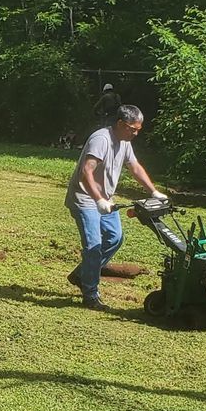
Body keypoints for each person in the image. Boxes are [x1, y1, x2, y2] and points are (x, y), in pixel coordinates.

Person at [65, 104, 162, 309]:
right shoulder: (101, 139)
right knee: (93, 246)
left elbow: (134, 167)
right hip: (85, 198)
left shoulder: (125, 141)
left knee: (115, 238)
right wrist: (99, 199)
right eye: (132, 128)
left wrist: (153, 192)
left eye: (139, 129)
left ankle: (82, 274)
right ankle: (90, 294)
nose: (136, 133)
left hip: (105, 199)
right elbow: (86, 171)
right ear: (120, 123)